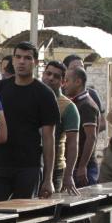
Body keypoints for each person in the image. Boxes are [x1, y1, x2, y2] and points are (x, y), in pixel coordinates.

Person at [0, 42, 60, 202]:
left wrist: (48, 178)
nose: (22, 62)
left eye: (27, 58)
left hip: (28, 167)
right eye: (18, 57)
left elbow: (49, 138)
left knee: (25, 221)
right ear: (12, 60)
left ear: (35, 62)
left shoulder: (45, 94)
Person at [40, 60, 79, 194]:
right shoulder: (32, 97)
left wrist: (68, 175)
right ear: (43, 75)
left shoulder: (68, 107)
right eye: (48, 73)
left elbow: (73, 144)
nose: (51, 78)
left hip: (55, 170)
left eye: (56, 76)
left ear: (63, 82)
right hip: (30, 167)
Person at [65, 66, 100, 188]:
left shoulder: (86, 105)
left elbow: (91, 137)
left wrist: (82, 166)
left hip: (83, 168)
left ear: (78, 82)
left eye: (67, 80)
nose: (65, 85)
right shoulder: (76, 102)